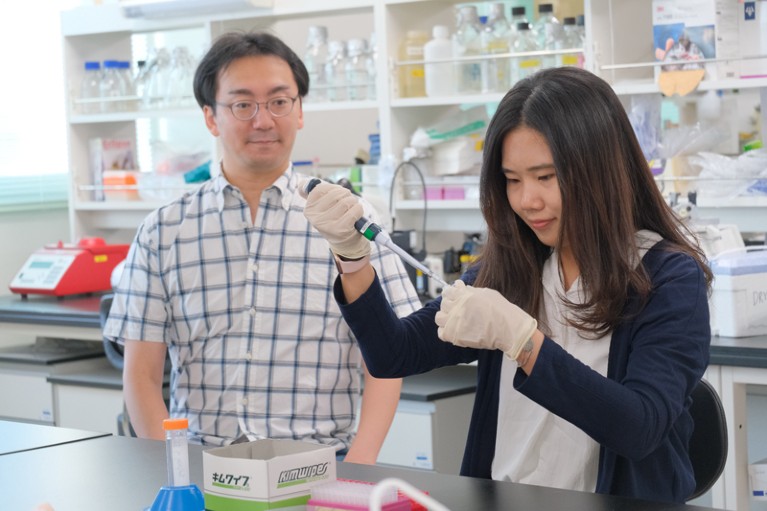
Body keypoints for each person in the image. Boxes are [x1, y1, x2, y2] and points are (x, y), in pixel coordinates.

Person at [302, 66, 712, 502]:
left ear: (599, 168)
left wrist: (524, 342)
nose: (526, 201)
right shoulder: (512, 269)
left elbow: (638, 427)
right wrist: (351, 257)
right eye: (512, 180)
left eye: (545, 177)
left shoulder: (666, 278)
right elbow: (393, 354)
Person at [104, 31, 421, 464]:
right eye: (242, 104)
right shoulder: (164, 231)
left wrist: (359, 466)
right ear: (211, 117)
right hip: (203, 470)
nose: (264, 120)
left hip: (319, 469)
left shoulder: (349, 219)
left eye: (279, 101)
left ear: (300, 110)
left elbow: (388, 355)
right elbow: (141, 376)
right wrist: (176, 472)